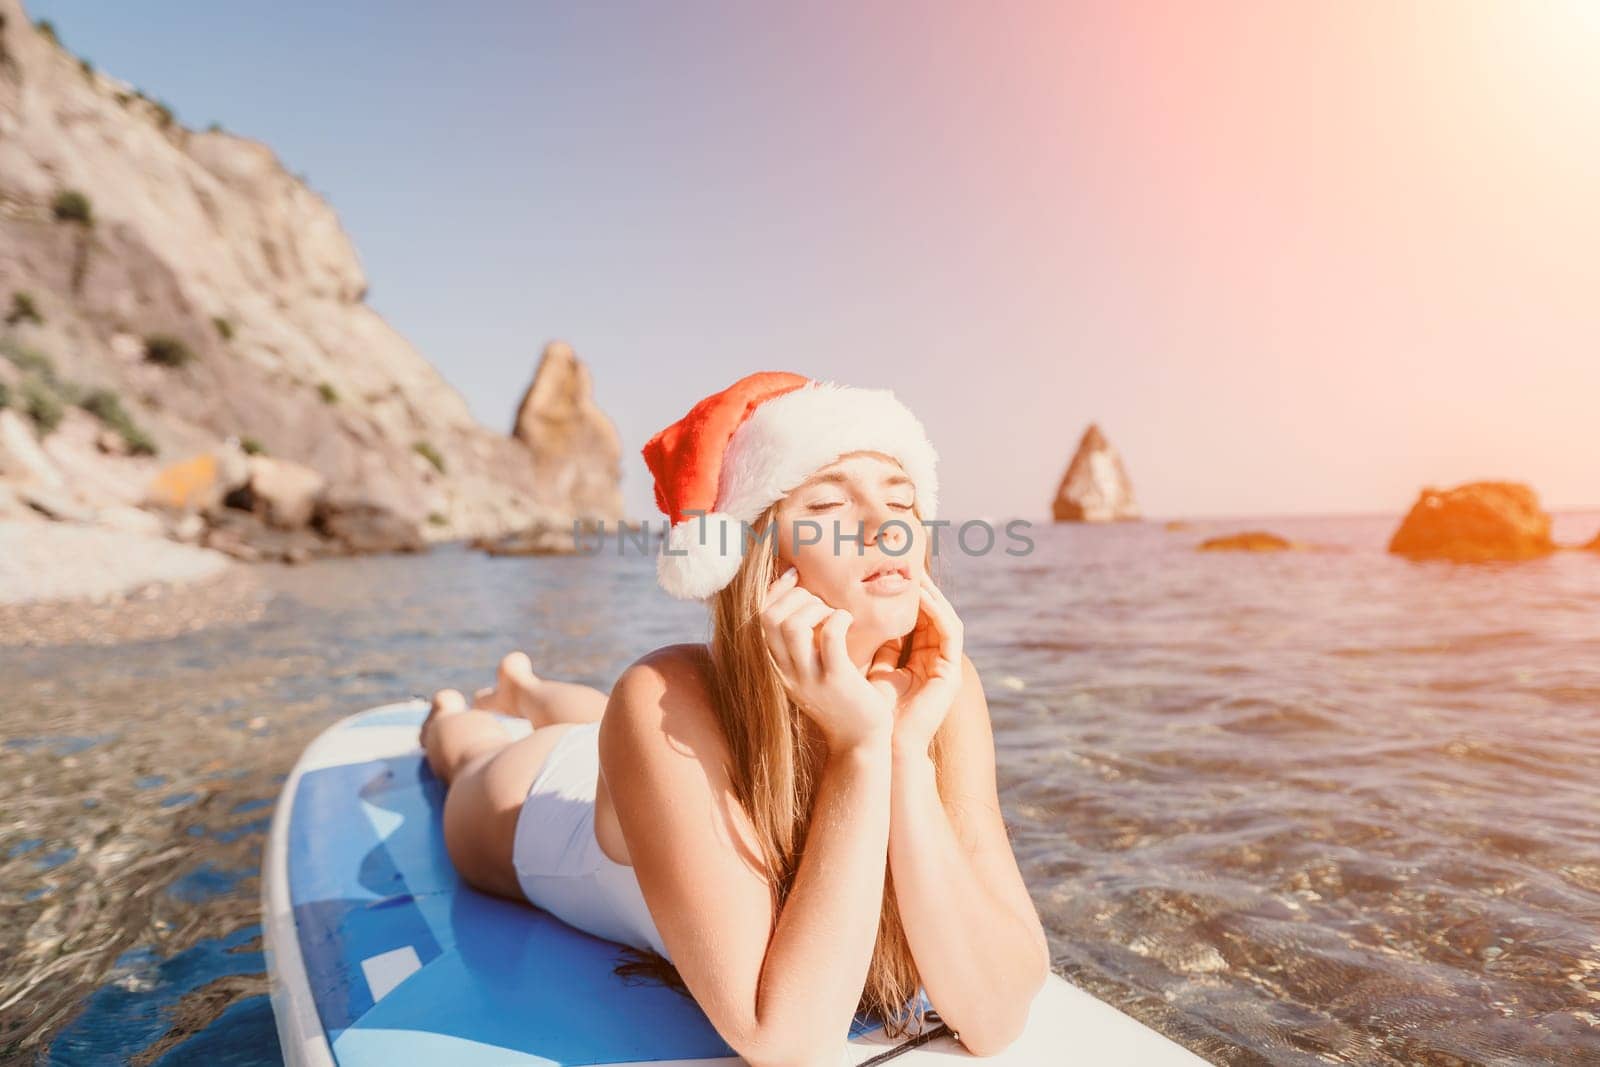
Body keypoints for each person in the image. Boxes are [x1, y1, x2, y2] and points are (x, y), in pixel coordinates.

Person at [420, 371, 1049, 1066]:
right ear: (759, 559)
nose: (885, 524)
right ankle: (473, 704)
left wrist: (902, 748)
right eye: (832, 507)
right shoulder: (664, 692)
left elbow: (996, 1017)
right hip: (541, 813)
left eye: (901, 502)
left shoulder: (944, 687)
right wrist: (860, 748)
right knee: (472, 750)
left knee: (583, 716)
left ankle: (527, 685)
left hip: (645, 769)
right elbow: (787, 1041)